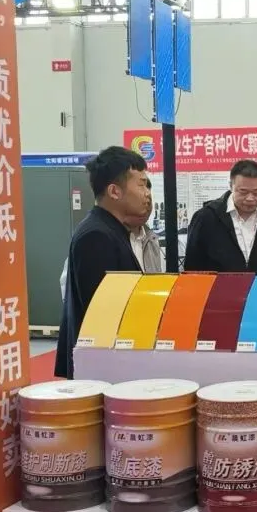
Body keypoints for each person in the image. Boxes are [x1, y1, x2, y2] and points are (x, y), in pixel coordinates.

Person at [55, 146, 153, 379]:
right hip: (101, 366)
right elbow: (103, 312)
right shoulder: (96, 236)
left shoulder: (114, 230)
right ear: (114, 191)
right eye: (141, 185)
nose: (147, 194)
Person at [182, 159, 257, 273]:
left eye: (256, 192)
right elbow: (192, 266)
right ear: (231, 186)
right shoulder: (206, 217)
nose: (250, 198)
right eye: (243, 192)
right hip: (216, 284)